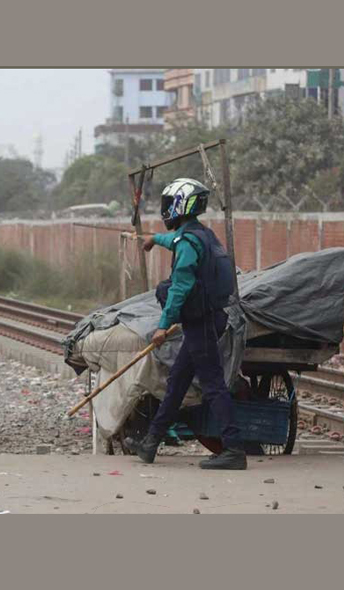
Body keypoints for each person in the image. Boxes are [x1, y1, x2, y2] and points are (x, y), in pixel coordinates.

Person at [127, 178, 245, 470]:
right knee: (177, 382)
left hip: (200, 323)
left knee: (213, 384)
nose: (166, 209)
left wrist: (162, 326)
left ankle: (234, 449)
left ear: (180, 206)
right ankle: (150, 443)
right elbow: (177, 241)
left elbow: (180, 287)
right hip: (208, 318)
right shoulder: (201, 235)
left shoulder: (188, 242)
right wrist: (155, 239)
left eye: (169, 204)